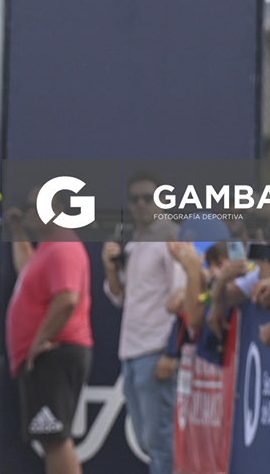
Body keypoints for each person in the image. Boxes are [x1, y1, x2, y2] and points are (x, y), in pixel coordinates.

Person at [4, 186, 92, 474]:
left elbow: (67, 299)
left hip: (55, 352)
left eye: (35, 206)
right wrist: (17, 229)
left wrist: (38, 341)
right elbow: (26, 268)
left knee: (55, 438)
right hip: (49, 354)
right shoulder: (48, 248)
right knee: (51, 437)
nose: (29, 212)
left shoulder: (63, 246)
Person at [100, 171, 183, 474]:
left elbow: (181, 297)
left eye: (149, 198)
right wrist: (109, 268)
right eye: (135, 199)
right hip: (131, 352)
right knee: (147, 441)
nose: (141, 204)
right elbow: (120, 297)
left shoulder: (170, 238)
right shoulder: (133, 242)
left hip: (156, 350)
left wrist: (171, 352)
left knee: (160, 441)